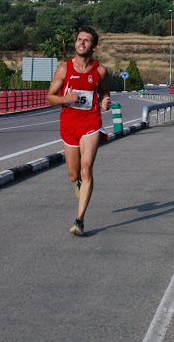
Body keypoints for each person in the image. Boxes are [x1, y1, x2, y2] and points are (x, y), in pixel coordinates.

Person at [47, 26, 111, 236]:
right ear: (75, 44)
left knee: (87, 167)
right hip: (69, 125)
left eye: (86, 40)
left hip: (91, 122)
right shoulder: (64, 69)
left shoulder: (100, 71)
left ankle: (80, 220)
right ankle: (79, 183)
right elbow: (50, 97)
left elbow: (104, 93)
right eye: (79, 40)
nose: (81, 43)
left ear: (94, 46)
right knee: (74, 173)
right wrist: (67, 99)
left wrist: (106, 101)